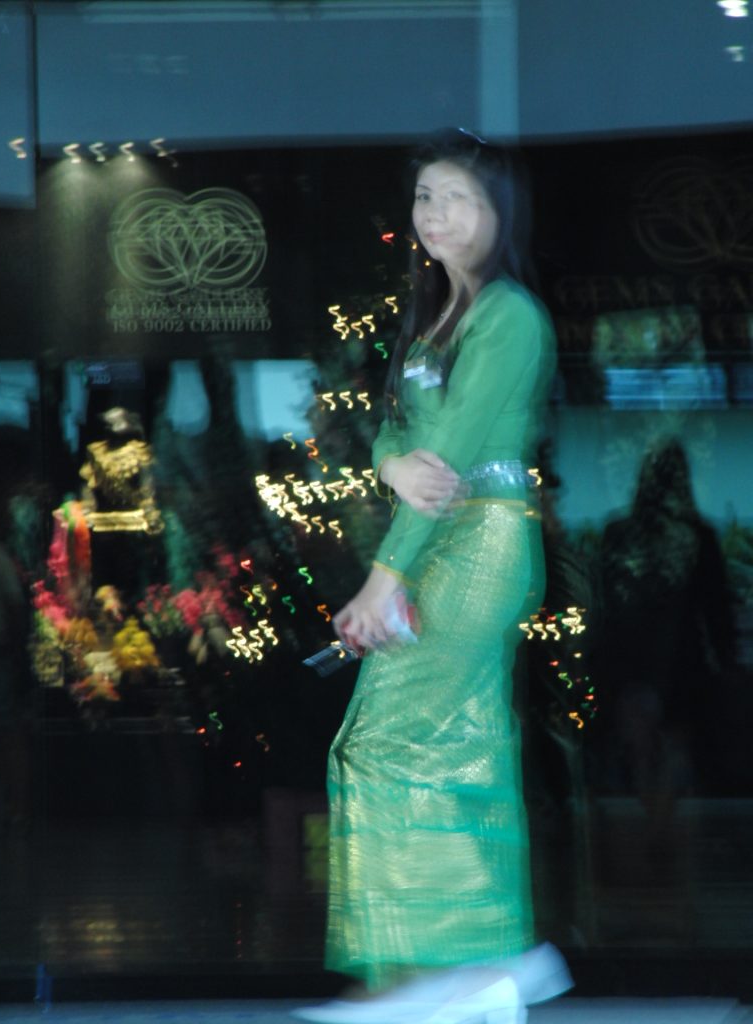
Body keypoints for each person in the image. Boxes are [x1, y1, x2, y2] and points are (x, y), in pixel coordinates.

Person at [296, 130, 571, 1024]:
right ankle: (454, 971)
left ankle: (462, 967)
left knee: (402, 741)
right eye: (425, 196)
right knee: (416, 741)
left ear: (499, 213)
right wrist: (387, 463)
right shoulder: (436, 315)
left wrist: (384, 579)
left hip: (479, 539)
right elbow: (396, 431)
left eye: (459, 197)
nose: (436, 214)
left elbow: (446, 458)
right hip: (435, 539)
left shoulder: (509, 317)